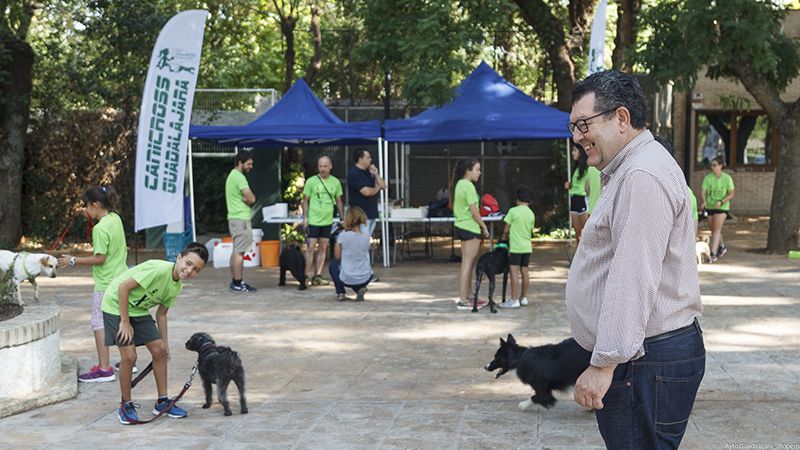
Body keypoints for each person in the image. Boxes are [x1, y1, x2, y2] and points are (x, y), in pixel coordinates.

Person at [566, 70, 704, 449]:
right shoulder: (631, 168)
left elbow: (632, 279)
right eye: (573, 127)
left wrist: (603, 364)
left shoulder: (641, 175)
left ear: (621, 118)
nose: (577, 137)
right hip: (646, 356)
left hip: (646, 359)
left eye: (583, 124)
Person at [104, 242, 208, 425]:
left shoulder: (177, 287)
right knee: (129, 356)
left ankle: (162, 402)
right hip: (115, 304)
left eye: (196, 270)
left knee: (159, 351)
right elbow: (123, 288)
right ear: (178, 257)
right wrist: (125, 322)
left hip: (138, 310)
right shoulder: (159, 270)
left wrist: (165, 343)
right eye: (188, 263)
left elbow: (161, 314)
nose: (189, 270)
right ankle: (125, 404)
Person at [58, 186, 128, 383]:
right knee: (122, 320)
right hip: (121, 279)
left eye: (86, 206)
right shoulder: (115, 219)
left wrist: (73, 260)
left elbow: (100, 258)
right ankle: (128, 361)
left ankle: (104, 369)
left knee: (99, 323)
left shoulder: (100, 229)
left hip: (105, 283)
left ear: (95, 205)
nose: (85, 210)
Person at [452, 158, 489, 311]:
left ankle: (468, 296)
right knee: (468, 263)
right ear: (468, 170)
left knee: (468, 263)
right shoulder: (468, 186)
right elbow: (474, 211)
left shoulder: (460, 184)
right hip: (470, 227)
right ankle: (463, 299)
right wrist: (484, 227)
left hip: (461, 225)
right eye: (477, 169)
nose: (479, 173)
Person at [302, 155, 344, 286]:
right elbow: (305, 200)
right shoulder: (311, 181)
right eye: (320, 166)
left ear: (330, 166)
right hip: (314, 221)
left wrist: (343, 217)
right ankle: (305, 275)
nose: (322, 169)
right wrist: (305, 217)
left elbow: (339, 201)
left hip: (327, 221)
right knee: (310, 248)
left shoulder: (335, 182)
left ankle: (317, 275)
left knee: (323, 248)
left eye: (325, 166)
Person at [498, 185, 535, 309]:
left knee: (514, 272)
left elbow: (506, 228)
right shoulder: (531, 214)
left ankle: (514, 299)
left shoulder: (513, 211)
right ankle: (523, 297)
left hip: (516, 247)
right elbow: (530, 229)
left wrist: (504, 236)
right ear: (530, 201)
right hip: (527, 247)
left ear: (517, 199)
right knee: (525, 271)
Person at [225, 150, 257, 292]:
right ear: (240, 163)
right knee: (240, 252)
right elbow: (252, 198)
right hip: (241, 219)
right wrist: (248, 200)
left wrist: (246, 200)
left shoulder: (232, 175)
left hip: (234, 217)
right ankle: (238, 283)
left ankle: (235, 281)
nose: (251, 167)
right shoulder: (239, 177)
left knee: (236, 250)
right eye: (248, 164)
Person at [329, 206, 373, 301]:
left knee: (333, 266)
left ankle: (341, 292)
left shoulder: (342, 236)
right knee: (355, 270)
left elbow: (337, 257)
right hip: (366, 276)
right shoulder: (366, 237)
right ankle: (359, 289)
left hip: (348, 277)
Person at [700, 157, 735, 262]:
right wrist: (704, 201)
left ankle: (713, 253)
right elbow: (703, 190)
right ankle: (722, 246)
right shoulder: (708, 177)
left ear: (721, 166)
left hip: (722, 207)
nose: (713, 167)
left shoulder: (727, 178)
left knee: (716, 228)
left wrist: (722, 201)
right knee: (713, 229)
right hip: (710, 206)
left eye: (715, 165)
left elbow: (732, 193)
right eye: (712, 165)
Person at [347, 148, 386, 239]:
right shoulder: (354, 174)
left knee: (366, 241)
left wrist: (376, 174)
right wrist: (377, 187)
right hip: (361, 216)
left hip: (371, 213)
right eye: (368, 157)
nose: (370, 159)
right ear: (360, 159)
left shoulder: (369, 172)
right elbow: (366, 192)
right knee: (362, 241)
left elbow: (383, 186)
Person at [564, 145, 591, 242]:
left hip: (582, 200)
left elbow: (588, 186)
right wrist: (569, 185)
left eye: (574, 150)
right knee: (578, 235)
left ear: (581, 152)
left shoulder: (588, 168)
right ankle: (578, 256)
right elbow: (575, 184)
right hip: (573, 199)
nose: (572, 153)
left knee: (586, 233)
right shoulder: (576, 168)